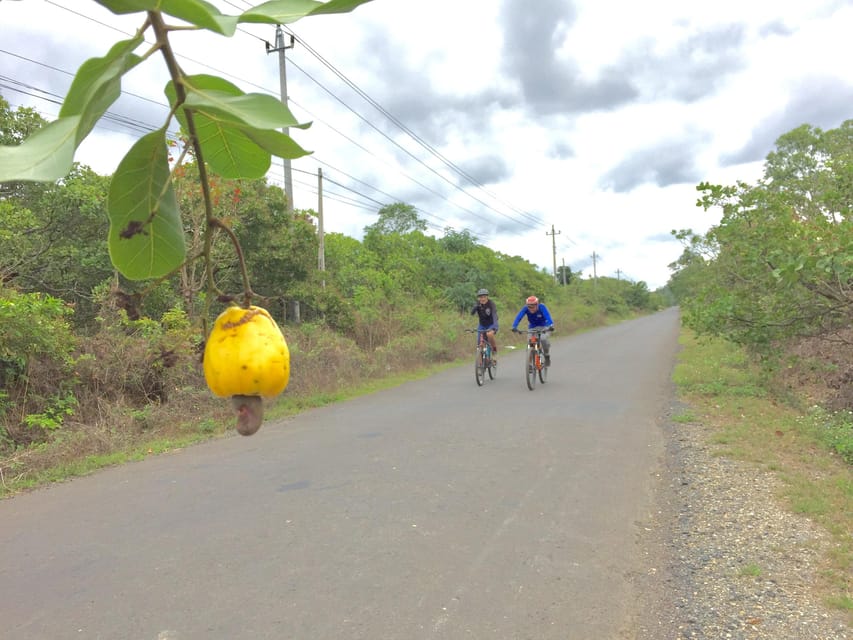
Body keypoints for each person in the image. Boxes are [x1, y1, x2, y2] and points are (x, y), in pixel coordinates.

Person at [511, 295, 555, 366]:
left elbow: (548, 316)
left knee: (543, 339)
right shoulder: (526, 309)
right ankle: (530, 364)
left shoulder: (542, 307)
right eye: (529, 306)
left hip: (544, 327)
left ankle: (546, 355)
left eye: (533, 306)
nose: (530, 308)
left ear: (537, 304)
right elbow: (519, 317)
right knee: (530, 343)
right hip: (532, 328)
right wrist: (514, 326)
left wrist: (551, 325)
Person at [470, 288, 499, 363]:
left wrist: (494, 326)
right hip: (482, 325)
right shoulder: (478, 303)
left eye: (484, 297)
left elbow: (494, 315)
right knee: (479, 344)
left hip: (492, 324)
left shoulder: (491, 304)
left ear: (487, 297)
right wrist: (476, 307)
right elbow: (472, 313)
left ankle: (494, 352)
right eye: (480, 297)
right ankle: (480, 364)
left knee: (489, 335)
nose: (482, 299)